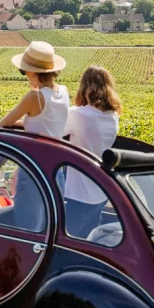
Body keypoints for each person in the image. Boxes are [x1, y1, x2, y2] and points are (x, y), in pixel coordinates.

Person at [62, 65, 122, 239]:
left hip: (79, 191)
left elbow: (53, 131)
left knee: (66, 242)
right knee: (89, 240)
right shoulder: (113, 116)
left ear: (84, 86)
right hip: (100, 190)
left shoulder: (78, 115)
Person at [0, 41, 69, 138]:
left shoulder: (35, 97)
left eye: (23, 70)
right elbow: (47, 125)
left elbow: (3, 124)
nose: (25, 73)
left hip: (36, 152)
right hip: (58, 151)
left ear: (31, 71)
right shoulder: (63, 90)